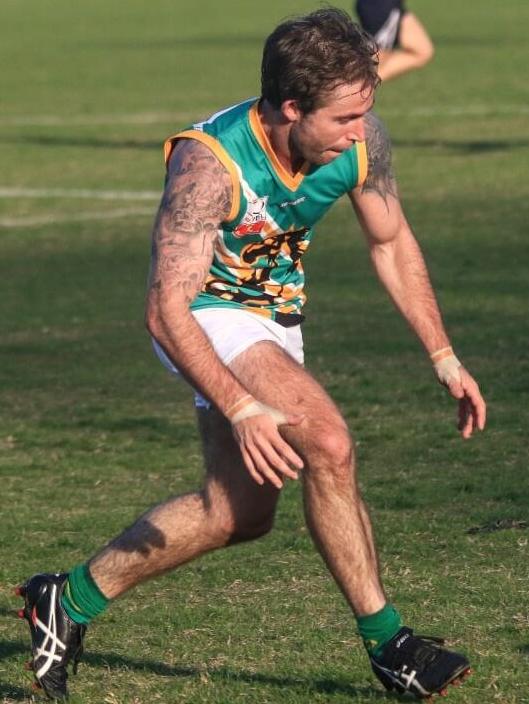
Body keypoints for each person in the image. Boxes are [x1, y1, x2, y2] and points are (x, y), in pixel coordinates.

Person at [15, 8, 486, 701]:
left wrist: (443, 355)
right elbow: (164, 307)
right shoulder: (210, 166)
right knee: (326, 441)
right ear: (289, 107)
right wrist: (239, 403)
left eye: (365, 113)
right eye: (344, 118)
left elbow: (389, 242)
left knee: (237, 511)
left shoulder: (359, 141)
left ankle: (69, 599)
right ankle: (390, 646)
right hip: (202, 315)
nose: (363, 132)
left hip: (269, 319)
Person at [355, 0, 434, 82]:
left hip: (394, 5)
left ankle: (361, 86)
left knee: (422, 51)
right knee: (376, 64)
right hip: (381, 6)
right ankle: (354, 89)